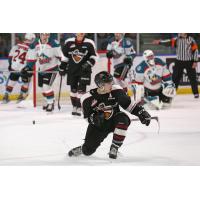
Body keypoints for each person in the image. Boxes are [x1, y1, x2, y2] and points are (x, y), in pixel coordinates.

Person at [68, 71, 151, 159]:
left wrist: (141, 112)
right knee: (88, 151)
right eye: (108, 83)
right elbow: (87, 117)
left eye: (111, 82)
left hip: (115, 119)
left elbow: (128, 104)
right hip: (99, 125)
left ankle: (114, 148)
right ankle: (82, 149)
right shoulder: (87, 98)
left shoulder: (116, 90)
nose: (111, 85)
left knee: (123, 119)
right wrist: (95, 118)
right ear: (100, 85)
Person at [21, 33, 63, 112]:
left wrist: (63, 66)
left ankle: (50, 103)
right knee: (41, 88)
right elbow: (31, 58)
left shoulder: (54, 43)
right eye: (43, 34)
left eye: (47, 35)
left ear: (49, 35)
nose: (45, 36)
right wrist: (27, 67)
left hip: (52, 69)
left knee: (46, 86)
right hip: (41, 69)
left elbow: (61, 56)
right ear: (40, 35)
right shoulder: (35, 44)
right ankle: (49, 100)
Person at [59, 33, 98, 116]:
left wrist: (89, 63)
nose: (80, 34)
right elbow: (65, 57)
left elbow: (94, 56)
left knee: (81, 89)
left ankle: (79, 107)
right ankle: (74, 106)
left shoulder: (89, 42)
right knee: (73, 90)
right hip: (72, 70)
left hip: (85, 70)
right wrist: (62, 67)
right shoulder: (69, 42)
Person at [152, 33, 199, 98]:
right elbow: (168, 42)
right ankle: (172, 92)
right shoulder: (177, 39)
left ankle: (196, 93)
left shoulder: (191, 40)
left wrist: (195, 61)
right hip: (179, 61)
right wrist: (159, 42)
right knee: (175, 78)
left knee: (192, 78)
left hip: (189, 62)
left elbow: (195, 50)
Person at [2, 33, 36, 104]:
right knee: (26, 82)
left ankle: (6, 96)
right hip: (24, 69)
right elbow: (32, 60)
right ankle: (21, 96)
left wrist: (10, 65)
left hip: (14, 67)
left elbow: (10, 56)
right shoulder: (32, 48)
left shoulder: (17, 45)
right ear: (32, 39)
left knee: (11, 82)